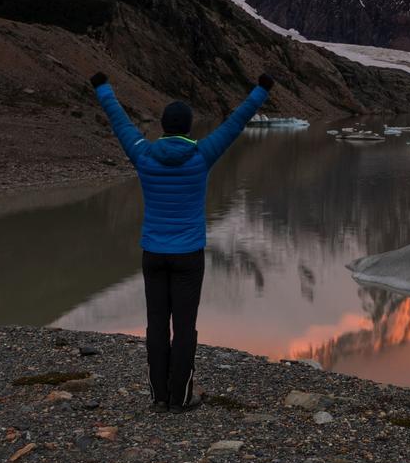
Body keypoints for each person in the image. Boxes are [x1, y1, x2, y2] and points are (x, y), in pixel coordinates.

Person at [89, 70, 274, 413]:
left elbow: (120, 122)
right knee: (184, 326)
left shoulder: (144, 154)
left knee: (156, 323)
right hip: (189, 255)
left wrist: (103, 87)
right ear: (189, 127)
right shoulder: (201, 155)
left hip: (153, 254)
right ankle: (180, 398)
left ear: (162, 126)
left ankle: (158, 396)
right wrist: (261, 90)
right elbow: (236, 123)